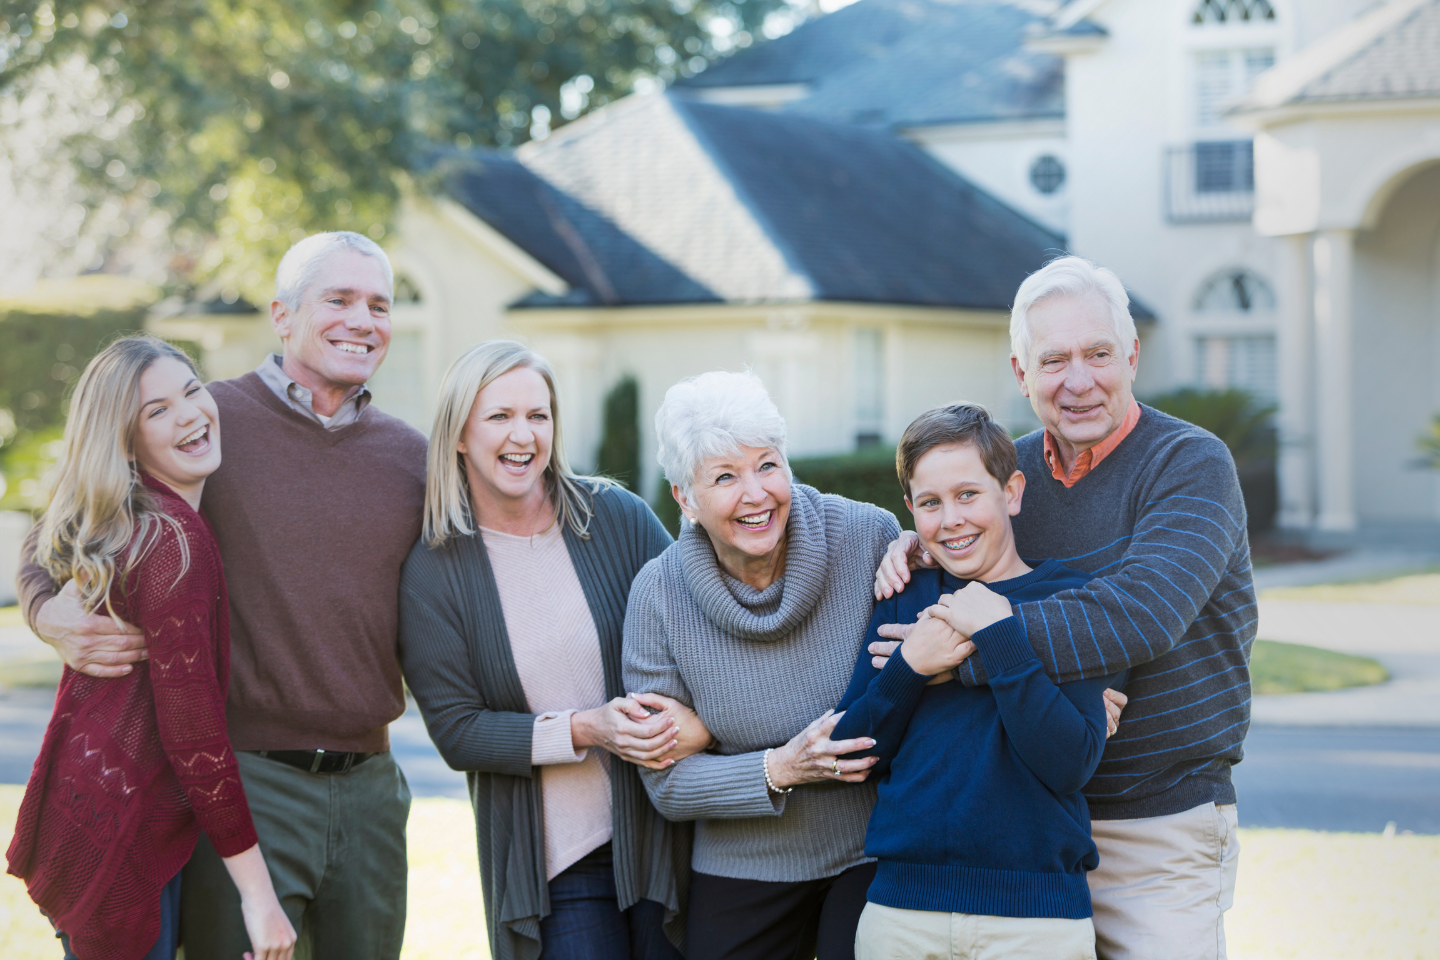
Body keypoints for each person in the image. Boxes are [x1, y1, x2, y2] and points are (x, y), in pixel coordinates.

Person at [17, 232, 428, 960]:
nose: (362, 320)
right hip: (248, 782)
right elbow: (61, 526)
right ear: (281, 314)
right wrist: (49, 612)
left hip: (371, 788)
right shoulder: (207, 421)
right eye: (338, 299)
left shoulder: (410, 457)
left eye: (379, 305)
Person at [872, 256, 1255, 960]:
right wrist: (920, 542)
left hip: (1155, 829)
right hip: (1025, 831)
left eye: (1098, 354)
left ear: (1132, 356)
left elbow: (1139, 614)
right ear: (1021, 374)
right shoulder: (1000, 475)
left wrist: (949, 657)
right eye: (1053, 361)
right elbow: (957, 534)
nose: (1077, 381)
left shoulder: (1190, 463)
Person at [398, 341, 704, 960]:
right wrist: (587, 729)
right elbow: (459, 733)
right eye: (500, 416)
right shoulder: (434, 571)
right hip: (558, 865)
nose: (523, 434)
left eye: (538, 415)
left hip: (662, 835)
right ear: (459, 435)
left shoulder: (614, 515)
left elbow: (701, 622)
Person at [6, 336, 295, 960]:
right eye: (156, 411)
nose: (189, 414)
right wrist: (258, 895)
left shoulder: (131, 518)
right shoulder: (171, 544)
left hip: (94, 817)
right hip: (120, 838)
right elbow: (195, 740)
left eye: (192, 391)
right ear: (126, 441)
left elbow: (42, 535)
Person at [620, 370, 901, 960]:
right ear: (686, 499)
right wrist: (780, 767)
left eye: (767, 465)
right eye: (725, 477)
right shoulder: (659, 595)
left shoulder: (867, 538)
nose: (757, 494)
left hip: (871, 848)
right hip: (742, 859)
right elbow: (666, 782)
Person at [831, 403, 1123, 960]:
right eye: (930, 503)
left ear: (1010, 492)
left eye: (968, 494)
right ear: (911, 511)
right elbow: (852, 750)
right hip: (902, 918)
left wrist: (998, 634)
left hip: (1036, 923)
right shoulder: (905, 596)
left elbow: (1068, 762)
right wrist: (910, 666)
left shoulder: (1076, 602)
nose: (951, 520)